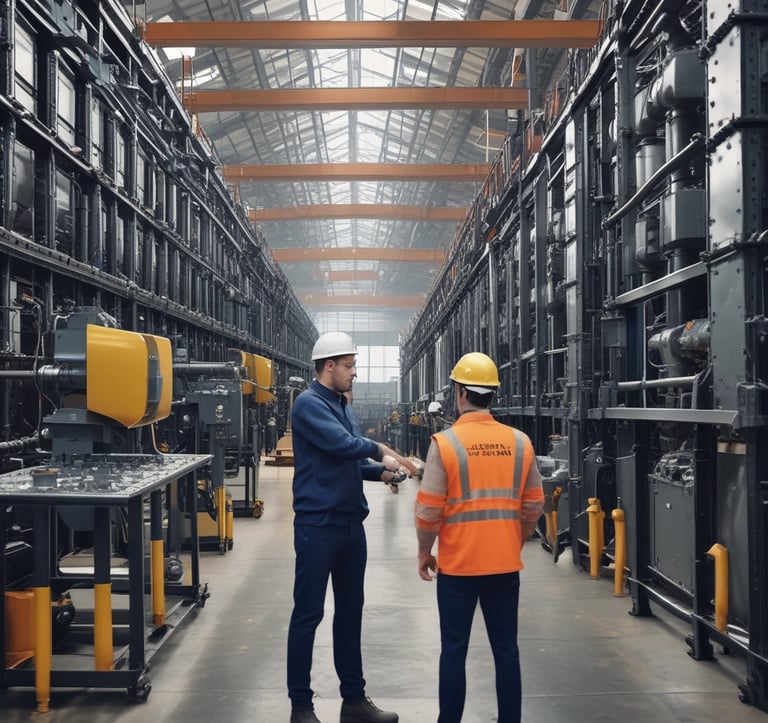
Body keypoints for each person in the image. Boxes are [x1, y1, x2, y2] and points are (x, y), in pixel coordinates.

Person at [287, 331, 418, 723]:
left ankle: (355, 702)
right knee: (308, 614)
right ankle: (301, 706)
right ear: (329, 366)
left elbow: (349, 462)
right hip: (318, 526)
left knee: (350, 612)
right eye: (349, 366)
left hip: (349, 526)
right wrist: (386, 453)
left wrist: (382, 475)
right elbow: (346, 446)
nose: (354, 373)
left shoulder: (342, 405)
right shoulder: (308, 405)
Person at [414, 352, 545, 723]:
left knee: (453, 651)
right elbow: (534, 504)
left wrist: (425, 552)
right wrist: (513, 540)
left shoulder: (445, 444)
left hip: (458, 568)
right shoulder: (520, 442)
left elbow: (428, 512)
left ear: (459, 392)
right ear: (493, 395)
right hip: (504, 566)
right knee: (506, 650)